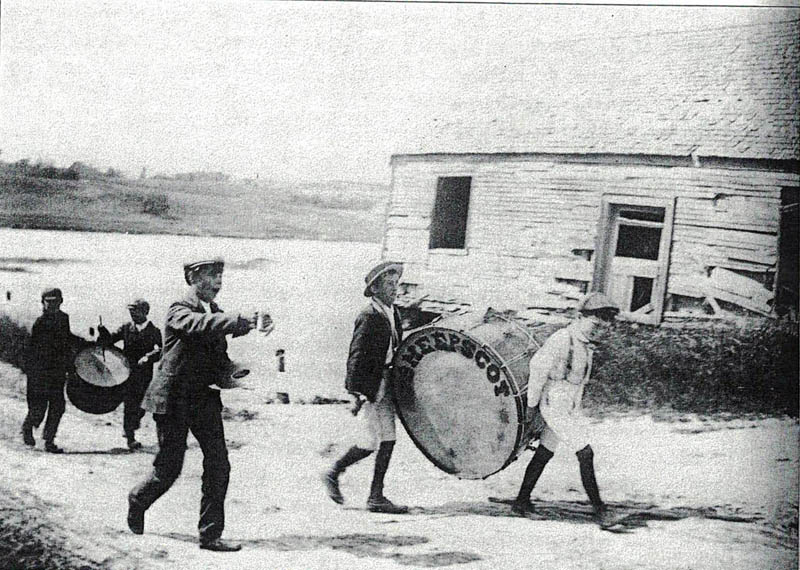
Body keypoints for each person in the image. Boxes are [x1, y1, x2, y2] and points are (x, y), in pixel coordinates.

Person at [126, 258, 272, 552]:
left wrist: (236, 365)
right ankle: (138, 500)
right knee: (169, 468)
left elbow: (218, 349)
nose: (218, 281)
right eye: (211, 275)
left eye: (221, 275)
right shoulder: (178, 309)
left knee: (219, 464)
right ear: (193, 278)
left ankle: (210, 535)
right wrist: (243, 319)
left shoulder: (214, 311)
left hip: (203, 398)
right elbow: (199, 326)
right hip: (173, 399)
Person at [512, 292, 621, 529]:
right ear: (580, 317)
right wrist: (531, 408)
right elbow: (538, 369)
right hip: (553, 402)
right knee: (585, 452)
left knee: (545, 452)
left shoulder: (586, 345)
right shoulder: (562, 339)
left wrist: (575, 409)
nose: (598, 331)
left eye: (603, 328)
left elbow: (578, 383)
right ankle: (600, 511)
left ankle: (521, 501)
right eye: (594, 325)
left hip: (566, 406)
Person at [323, 261, 409, 514]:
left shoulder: (392, 312)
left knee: (389, 439)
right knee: (372, 441)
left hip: (386, 384)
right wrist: (355, 392)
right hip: (372, 386)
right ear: (375, 289)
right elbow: (357, 355)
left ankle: (376, 496)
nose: (395, 289)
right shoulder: (369, 315)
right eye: (389, 285)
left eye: (396, 284)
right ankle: (333, 472)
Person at [21, 288, 87, 453]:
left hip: (57, 371)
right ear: (42, 303)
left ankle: (48, 440)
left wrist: (85, 343)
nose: (52, 305)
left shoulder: (64, 318)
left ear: (61, 301)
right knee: (38, 408)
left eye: (55, 301)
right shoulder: (40, 323)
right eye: (48, 301)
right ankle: (28, 427)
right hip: (40, 372)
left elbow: (67, 338)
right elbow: (34, 349)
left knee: (58, 406)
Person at [98, 298, 162, 450]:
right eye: (130, 311)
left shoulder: (154, 331)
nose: (132, 314)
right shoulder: (126, 328)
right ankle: (130, 437)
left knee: (142, 406)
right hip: (127, 373)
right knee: (130, 404)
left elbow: (161, 349)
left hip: (145, 375)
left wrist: (149, 357)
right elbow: (110, 340)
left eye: (135, 311)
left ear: (145, 312)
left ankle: (133, 424)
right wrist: (103, 331)